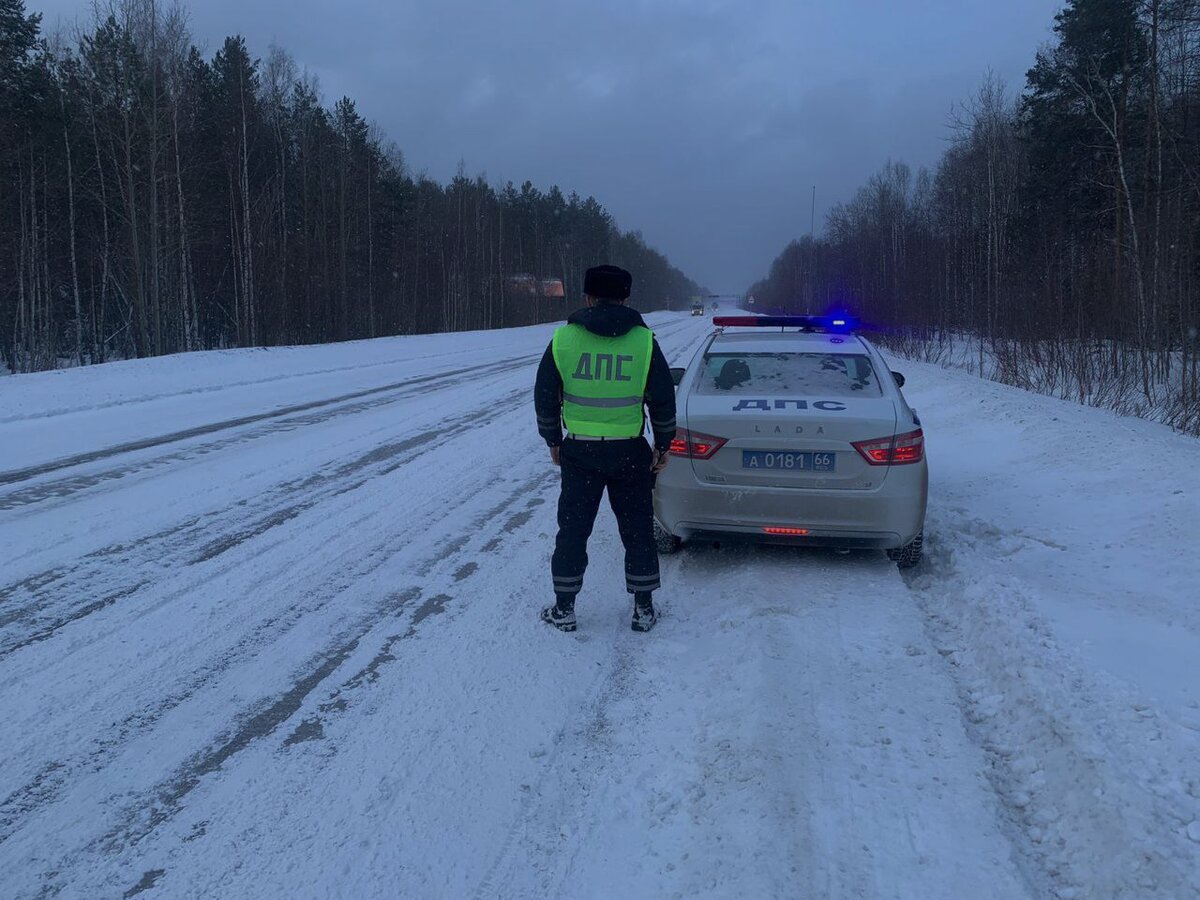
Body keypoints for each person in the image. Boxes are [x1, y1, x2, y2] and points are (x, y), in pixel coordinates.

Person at [534, 265, 677, 633]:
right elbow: (662, 398)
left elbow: (545, 395)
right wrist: (662, 445)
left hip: (580, 454)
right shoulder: (643, 341)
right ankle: (643, 609)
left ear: (587, 297)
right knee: (637, 531)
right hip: (630, 453)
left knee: (573, 530)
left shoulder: (564, 340)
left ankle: (564, 608)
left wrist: (553, 439)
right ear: (626, 298)